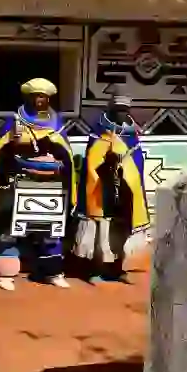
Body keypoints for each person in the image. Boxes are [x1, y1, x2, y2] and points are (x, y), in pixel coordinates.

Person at [0, 78, 75, 290]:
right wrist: (13, 144)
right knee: (11, 228)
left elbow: (65, 149)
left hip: (50, 181)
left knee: (51, 229)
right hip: (20, 180)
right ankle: (5, 273)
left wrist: (55, 151)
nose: (40, 100)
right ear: (29, 97)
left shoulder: (56, 121)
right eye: (36, 96)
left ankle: (51, 272)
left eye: (43, 96)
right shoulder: (15, 120)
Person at [71, 96, 150, 279]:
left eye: (124, 110)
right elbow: (92, 158)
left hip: (125, 189)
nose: (121, 114)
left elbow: (138, 160)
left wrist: (126, 168)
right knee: (101, 227)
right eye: (118, 110)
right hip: (102, 188)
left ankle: (117, 267)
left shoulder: (133, 134)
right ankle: (96, 267)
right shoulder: (99, 131)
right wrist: (107, 162)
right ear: (111, 110)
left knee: (122, 227)